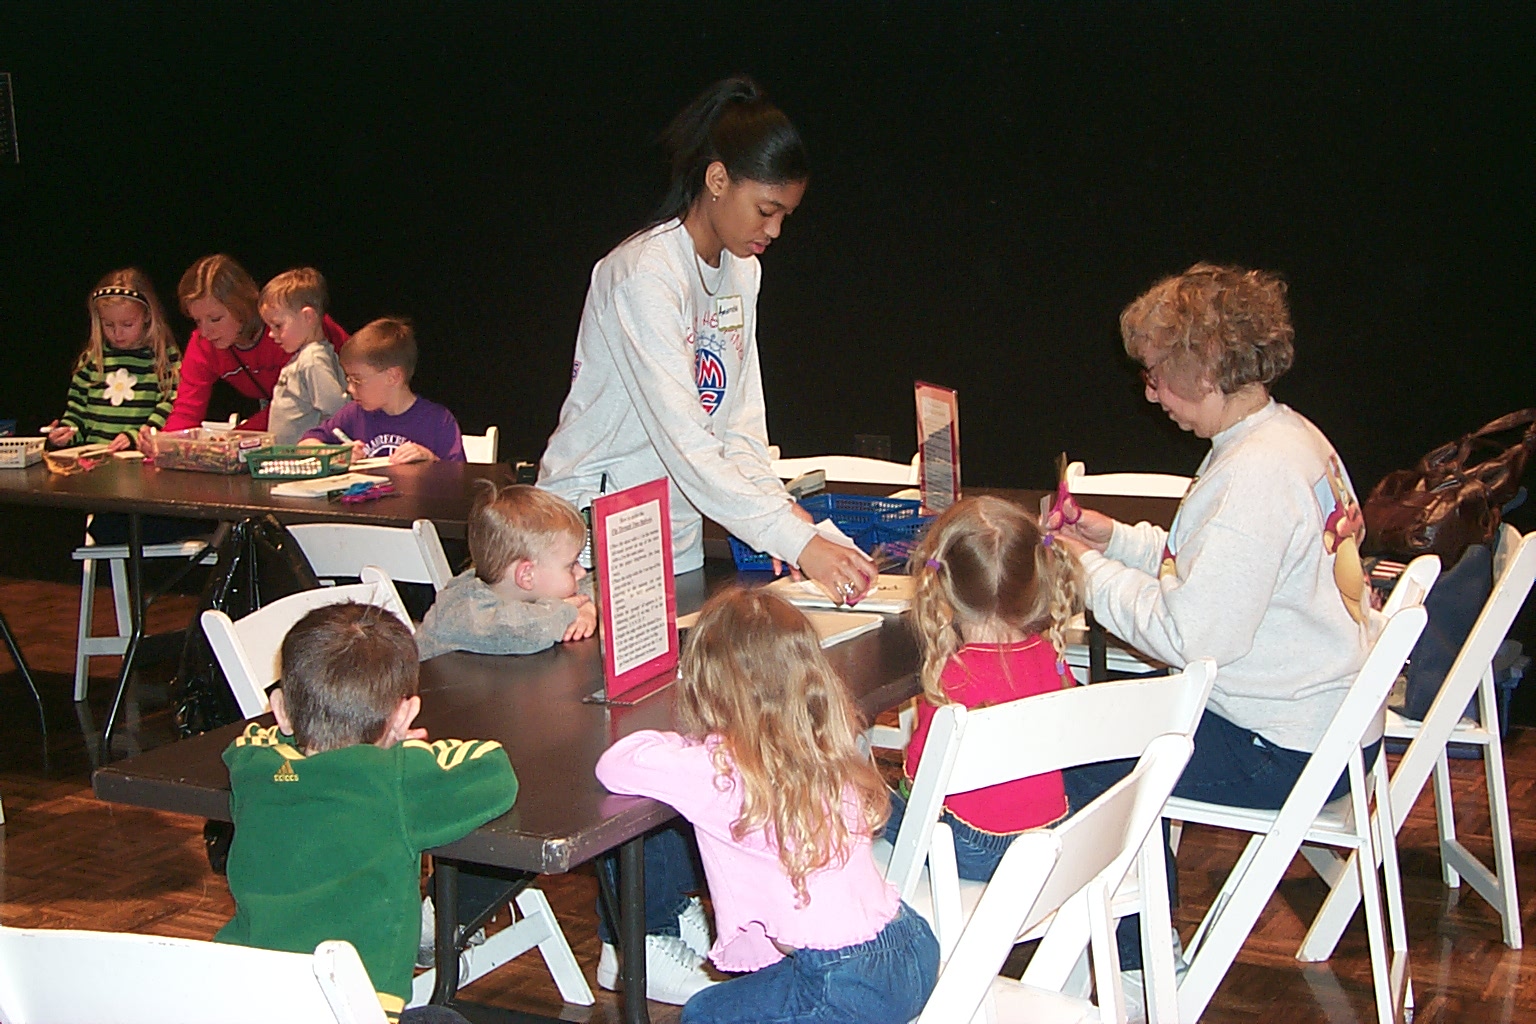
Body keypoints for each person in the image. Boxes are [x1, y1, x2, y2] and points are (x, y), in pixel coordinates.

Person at [1050, 263, 1374, 984]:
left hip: (1282, 750)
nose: (1150, 392)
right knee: (1108, 726)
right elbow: (1213, 569)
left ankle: (1140, 972)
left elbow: (1193, 636)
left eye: (1156, 373)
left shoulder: (1256, 473)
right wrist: (1114, 540)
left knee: (1084, 758)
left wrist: (1087, 574)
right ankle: (1130, 944)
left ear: (1201, 366)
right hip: (1321, 730)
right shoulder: (1284, 437)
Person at [538, 75, 877, 602]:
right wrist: (793, 539)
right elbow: (687, 441)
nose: (775, 231)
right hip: (583, 542)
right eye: (766, 210)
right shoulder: (645, 274)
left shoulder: (743, 272)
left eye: (785, 216)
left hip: (672, 534)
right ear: (717, 179)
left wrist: (782, 516)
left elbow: (739, 428)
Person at [596, 588, 939, 1024]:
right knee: (707, 1009)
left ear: (705, 688)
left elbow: (617, 764)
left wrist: (687, 742)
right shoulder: (827, 745)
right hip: (911, 944)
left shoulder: (719, 771)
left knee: (705, 1017)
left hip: (842, 982)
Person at [217, 602, 516, 1024]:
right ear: (404, 713)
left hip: (243, 996)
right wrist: (406, 748)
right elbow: (493, 770)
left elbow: (251, 739)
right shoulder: (396, 778)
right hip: (352, 1009)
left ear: (280, 709)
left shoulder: (253, 768)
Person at [884, 495, 1084, 880]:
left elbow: (919, 780)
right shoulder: (1053, 660)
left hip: (971, 848)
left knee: (871, 804)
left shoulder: (951, 677)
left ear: (943, 586)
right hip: (1049, 839)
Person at [153, 254, 347, 439]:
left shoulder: (291, 331)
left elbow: (324, 404)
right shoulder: (203, 345)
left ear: (242, 306)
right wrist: (164, 444)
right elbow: (186, 410)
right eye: (197, 321)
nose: (204, 331)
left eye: (215, 319)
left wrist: (238, 437)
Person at [415, 481, 597, 659]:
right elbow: (522, 630)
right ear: (527, 575)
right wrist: (568, 612)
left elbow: (597, 583)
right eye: (571, 565)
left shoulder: (511, 586)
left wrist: (588, 607)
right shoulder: (466, 614)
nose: (581, 572)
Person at [45, 268, 181, 452]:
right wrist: (66, 433)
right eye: (108, 324)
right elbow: (77, 412)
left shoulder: (163, 357)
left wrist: (136, 436)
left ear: (147, 315)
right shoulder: (92, 359)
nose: (117, 333)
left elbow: (171, 405)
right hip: (95, 455)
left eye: (127, 324)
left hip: (139, 457)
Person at [301, 317, 465, 464]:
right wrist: (336, 454)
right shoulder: (353, 414)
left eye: (357, 380)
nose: (350, 388)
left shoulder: (438, 421)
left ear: (393, 377)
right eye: (348, 379)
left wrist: (431, 460)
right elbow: (305, 445)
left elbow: (460, 480)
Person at [259, 267, 350, 445]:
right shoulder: (306, 357)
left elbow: (339, 411)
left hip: (304, 458)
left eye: (278, 325)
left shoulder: (312, 360)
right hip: (290, 457)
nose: (270, 334)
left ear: (308, 316)